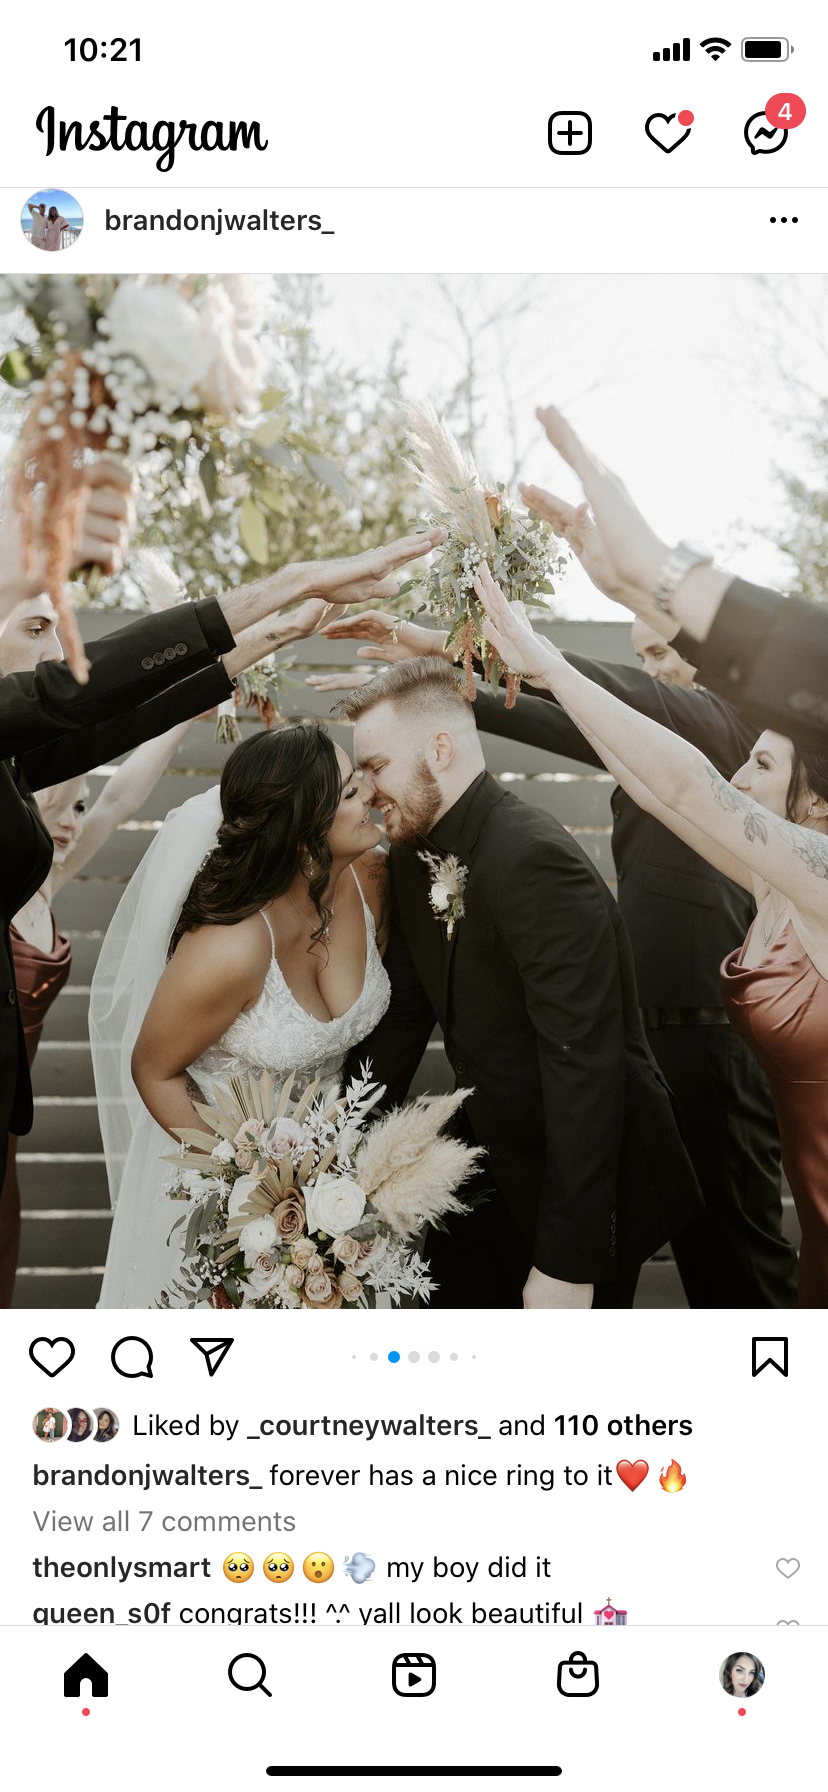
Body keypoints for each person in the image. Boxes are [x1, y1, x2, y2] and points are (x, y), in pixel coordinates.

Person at [315, 609, 797, 1309]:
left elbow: (585, 1068)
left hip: (593, 1168)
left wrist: (569, 1261)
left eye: (376, 767)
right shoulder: (416, 853)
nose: (365, 790)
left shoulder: (536, 857)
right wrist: (320, 1159)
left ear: (440, 750)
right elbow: (404, 1021)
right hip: (494, 1152)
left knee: (731, 1278)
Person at [0, 525, 443, 1177]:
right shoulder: (232, 945)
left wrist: (278, 632)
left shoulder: (368, 880)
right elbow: (71, 696)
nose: (60, 652)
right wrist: (295, 580)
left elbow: (111, 724)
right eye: (37, 629)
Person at [475, 562, 828, 1308]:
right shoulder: (774, 881)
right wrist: (500, 675)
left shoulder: (819, 875)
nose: (738, 777)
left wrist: (544, 660)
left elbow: (685, 784)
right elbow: (654, 788)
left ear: (819, 799)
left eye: (762, 764)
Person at [93, 722, 393, 1308]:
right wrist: (247, 1187)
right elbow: (154, 1070)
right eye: (350, 791)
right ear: (304, 833)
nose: (371, 795)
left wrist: (324, 1194)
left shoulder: (371, 877)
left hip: (339, 1196)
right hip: (231, 1205)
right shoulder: (230, 947)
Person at [0, 715, 206, 1307]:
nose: (73, 821)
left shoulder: (47, 884)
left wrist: (189, 711)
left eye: (78, 807)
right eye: (59, 806)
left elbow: (120, 800)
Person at [521, 403, 828, 753]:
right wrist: (628, 589)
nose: (650, 672)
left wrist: (656, 568)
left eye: (659, 652)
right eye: (643, 658)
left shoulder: (731, 727)